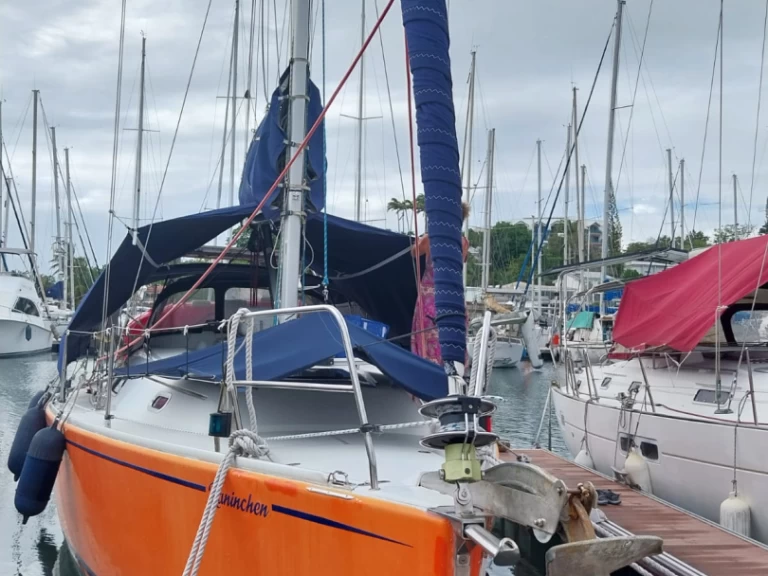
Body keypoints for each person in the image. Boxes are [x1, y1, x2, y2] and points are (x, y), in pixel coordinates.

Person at [411, 202, 470, 365]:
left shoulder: (430, 239)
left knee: (427, 337)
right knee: (448, 335)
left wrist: (419, 239)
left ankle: (427, 369)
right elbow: (463, 260)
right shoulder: (464, 242)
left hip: (430, 296)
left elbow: (414, 253)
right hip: (454, 296)